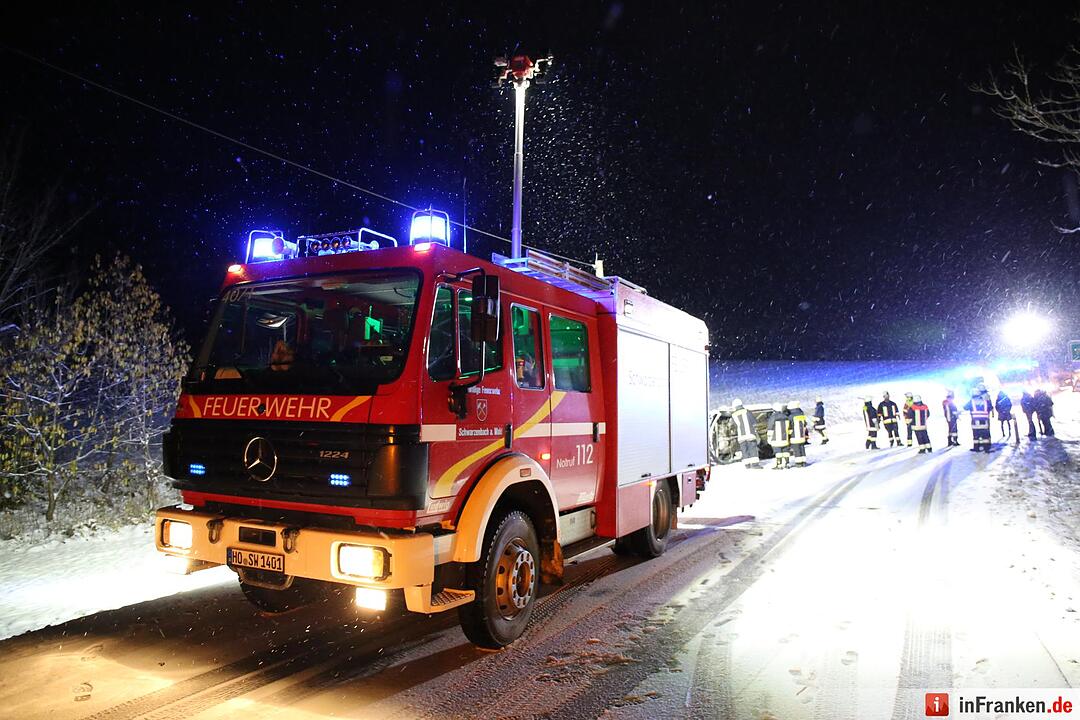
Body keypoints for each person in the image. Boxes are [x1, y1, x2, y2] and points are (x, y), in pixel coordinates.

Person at [731, 399, 761, 469]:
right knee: (752, 449)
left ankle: (747, 465)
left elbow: (734, 425)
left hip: (741, 436)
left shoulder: (733, 415)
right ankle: (755, 464)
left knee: (745, 450)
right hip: (750, 434)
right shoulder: (747, 412)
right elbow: (754, 421)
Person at [767, 402, 791, 469]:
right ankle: (787, 463)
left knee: (778, 452)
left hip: (776, 438)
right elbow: (789, 428)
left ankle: (779, 465)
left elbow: (770, 428)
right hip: (785, 438)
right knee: (786, 451)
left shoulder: (773, 417)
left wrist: (769, 438)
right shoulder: (786, 417)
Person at [787, 401, 810, 467]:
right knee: (802, 448)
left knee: (797, 449)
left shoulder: (791, 416)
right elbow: (805, 424)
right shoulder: (801, 415)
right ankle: (803, 462)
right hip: (802, 435)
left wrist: (788, 434)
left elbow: (789, 425)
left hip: (794, 436)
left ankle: (799, 463)